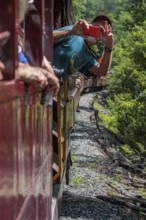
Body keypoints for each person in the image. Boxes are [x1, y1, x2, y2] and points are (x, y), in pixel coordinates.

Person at [53, 15, 114, 79]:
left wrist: (109, 46)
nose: (96, 32)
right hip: (42, 72)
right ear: (90, 25)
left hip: (49, 84)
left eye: (101, 32)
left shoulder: (87, 57)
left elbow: (101, 72)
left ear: (101, 39)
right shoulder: (73, 32)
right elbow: (45, 38)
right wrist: (71, 31)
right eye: (96, 28)